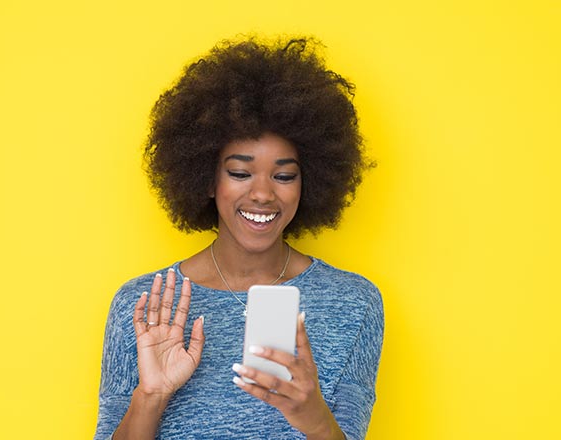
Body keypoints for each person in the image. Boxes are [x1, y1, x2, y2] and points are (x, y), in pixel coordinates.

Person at [94, 37, 384, 440]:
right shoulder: (146, 305)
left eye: (284, 176)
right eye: (240, 172)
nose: (263, 194)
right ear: (207, 179)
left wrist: (313, 416)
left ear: (309, 183)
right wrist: (152, 395)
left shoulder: (355, 303)